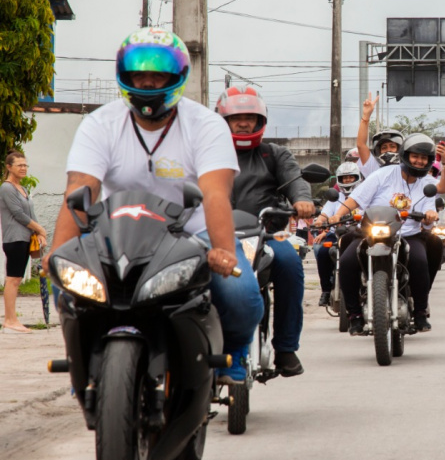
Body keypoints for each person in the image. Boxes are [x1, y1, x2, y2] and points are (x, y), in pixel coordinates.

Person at [44, 27, 262, 385]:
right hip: (118, 231)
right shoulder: (99, 124)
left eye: (157, 75)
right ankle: (85, 360)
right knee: (67, 279)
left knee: (238, 292)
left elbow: (215, 194)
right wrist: (56, 255)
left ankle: (234, 351)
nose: (147, 84)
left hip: (191, 232)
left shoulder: (206, 125)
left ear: (177, 78)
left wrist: (223, 250)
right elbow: (80, 190)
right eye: (139, 76)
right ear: (124, 78)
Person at [216, 85, 315, 378]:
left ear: (260, 121)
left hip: (265, 237)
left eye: (250, 117)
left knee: (289, 263)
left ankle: (285, 348)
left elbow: (296, 180)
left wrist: (303, 200)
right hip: (215, 237)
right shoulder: (208, 154)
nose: (243, 123)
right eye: (236, 118)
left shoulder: (274, 155)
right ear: (224, 121)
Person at [329, 134, 445, 334]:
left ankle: (420, 312)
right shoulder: (383, 174)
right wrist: (337, 214)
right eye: (415, 156)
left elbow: (431, 208)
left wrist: (430, 215)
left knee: (420, 262)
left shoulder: (427, 183)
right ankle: (354, 314)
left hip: (408, 234)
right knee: (347, 262)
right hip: (371, 232)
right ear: (405, 155)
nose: (419, 161)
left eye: (424, 158)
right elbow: (357, 198)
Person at [0, 151, 45, 333]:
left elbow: (30, 213)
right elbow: (19, 214)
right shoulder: (7, 188)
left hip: (25, 238)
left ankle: (12, 319)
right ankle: (10, 320)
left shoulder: (23, 189)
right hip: (14, 239)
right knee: (13, 279)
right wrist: (41, 229)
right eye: (19, 165)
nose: (23, 168)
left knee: (17, 279)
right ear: (9, 167)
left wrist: (39, 233)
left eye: (25, 165)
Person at [312, 162, 362, 307]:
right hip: (336, 235)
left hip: (359, 235)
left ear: (357, 178)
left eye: (350, 177)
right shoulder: (335, 197)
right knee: (322, 253)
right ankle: (326, 290)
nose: (347, 181)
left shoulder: (364, 194)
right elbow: (324, 214)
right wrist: (320, 221)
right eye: (344, 178)